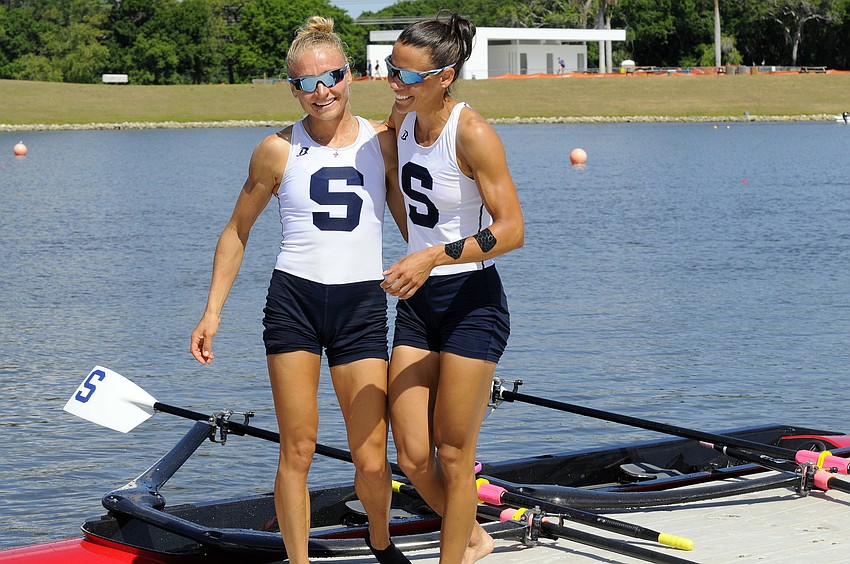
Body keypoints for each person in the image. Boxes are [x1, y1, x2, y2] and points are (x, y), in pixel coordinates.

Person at [189, 16, 409, 564]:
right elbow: (236, 232)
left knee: (373, 458)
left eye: (330, 76)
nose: (321, 91)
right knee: (298, 447)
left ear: (350, 74)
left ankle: (380, 542)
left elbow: (417, 225)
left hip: (361, 304)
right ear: (292, 88)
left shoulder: (383, 145)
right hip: (295, 303)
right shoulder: (275, 150)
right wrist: (211, 312)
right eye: (306, 82)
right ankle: (298, 560)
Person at [381, 11, 524, 564]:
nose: (396, 82)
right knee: (415, 456)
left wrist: (433, 256)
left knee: (455, 452)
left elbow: (512, 229)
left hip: (471, 303)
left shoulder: (472, 132)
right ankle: (474, 536)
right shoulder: (402, 124)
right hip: (419, 305)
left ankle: (454, 557)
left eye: (408, 76)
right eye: (391, 70)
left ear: (443, 77)